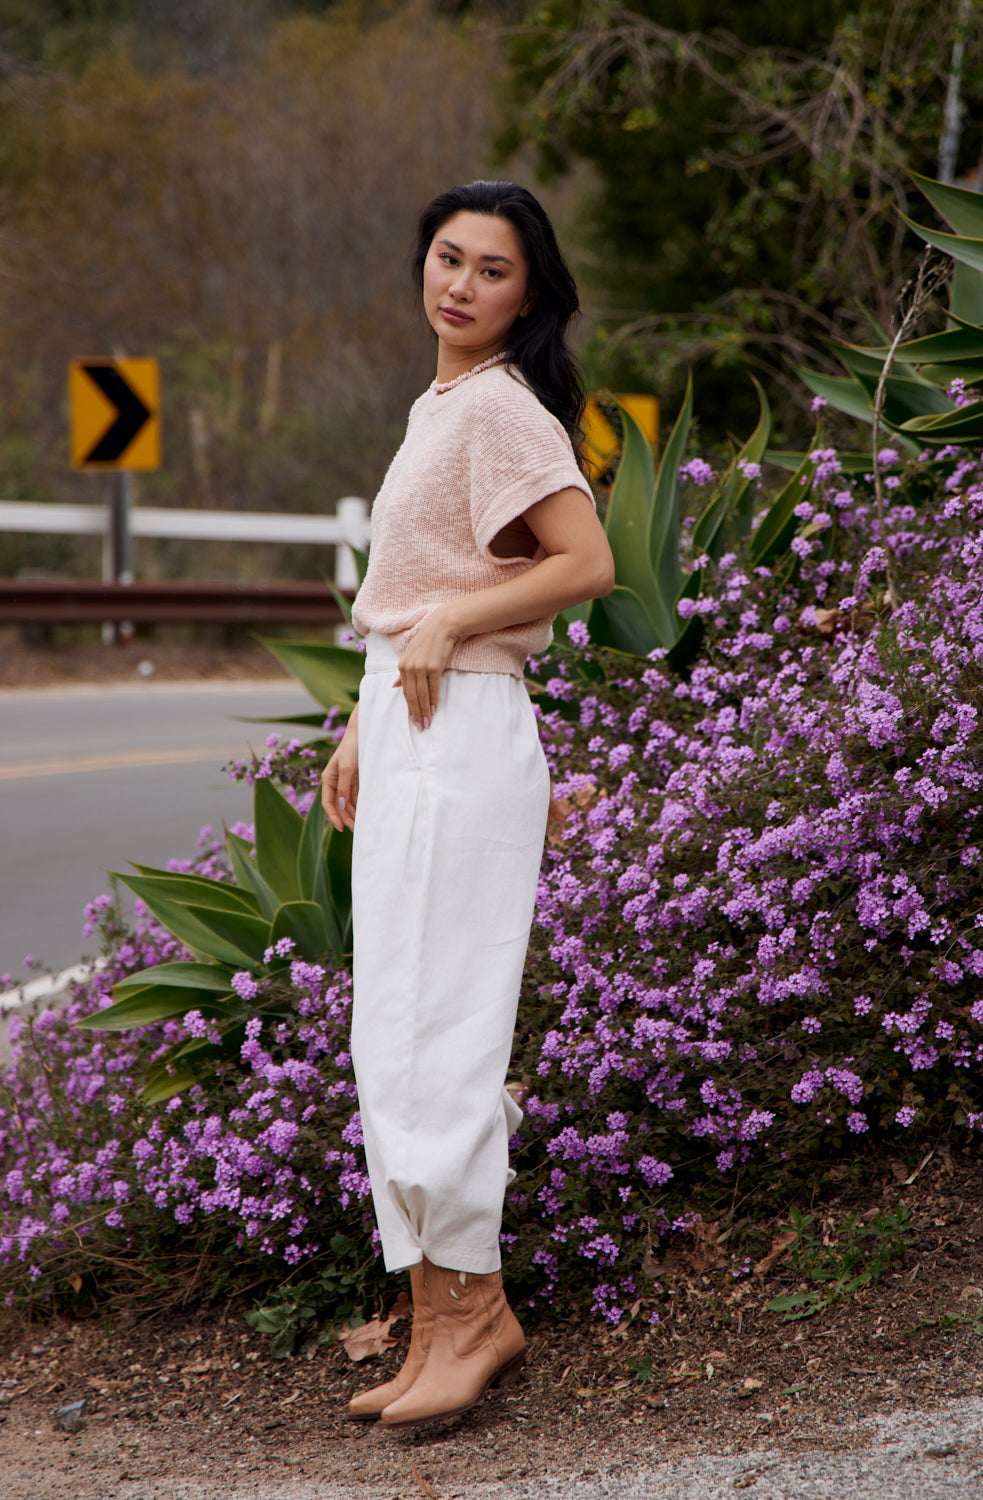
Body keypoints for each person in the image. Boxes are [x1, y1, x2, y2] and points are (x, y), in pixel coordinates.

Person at [320, 180, 614, 1429]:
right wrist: (360, 713)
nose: (461, 285)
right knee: (391, 1032)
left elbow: (585, 563)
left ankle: (475, 1312)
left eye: (493, 271)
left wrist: (445, 622)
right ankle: (441, 1313)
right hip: (409, 721)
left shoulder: (500, 409)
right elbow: (418, 584)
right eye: (447, 258)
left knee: (438, 1030)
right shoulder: (438, 403)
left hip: (465, 729)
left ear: (529, 295)